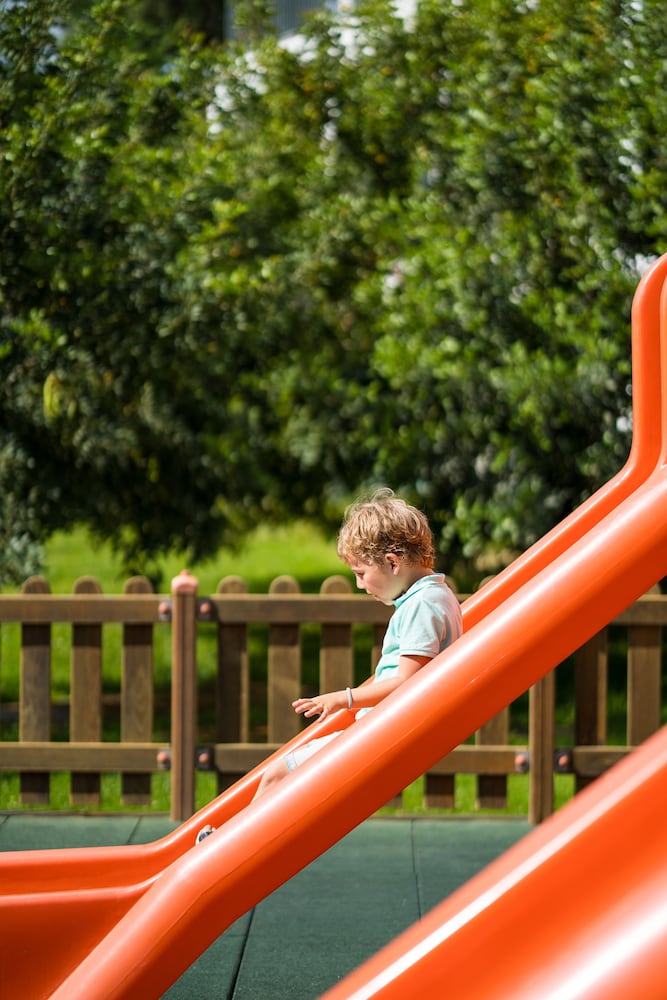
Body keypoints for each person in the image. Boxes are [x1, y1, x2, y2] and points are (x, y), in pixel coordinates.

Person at [195, 489, 462, 843]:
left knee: (279, 776)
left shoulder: (420, 607)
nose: (359, 584)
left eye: (361, 573)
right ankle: (232, 841)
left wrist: (346, 698)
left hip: (381, 735)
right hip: (385, 731)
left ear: (393, 563)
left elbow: (407, 685)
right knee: (282, 777)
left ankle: (224, 846)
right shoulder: (438, 595)